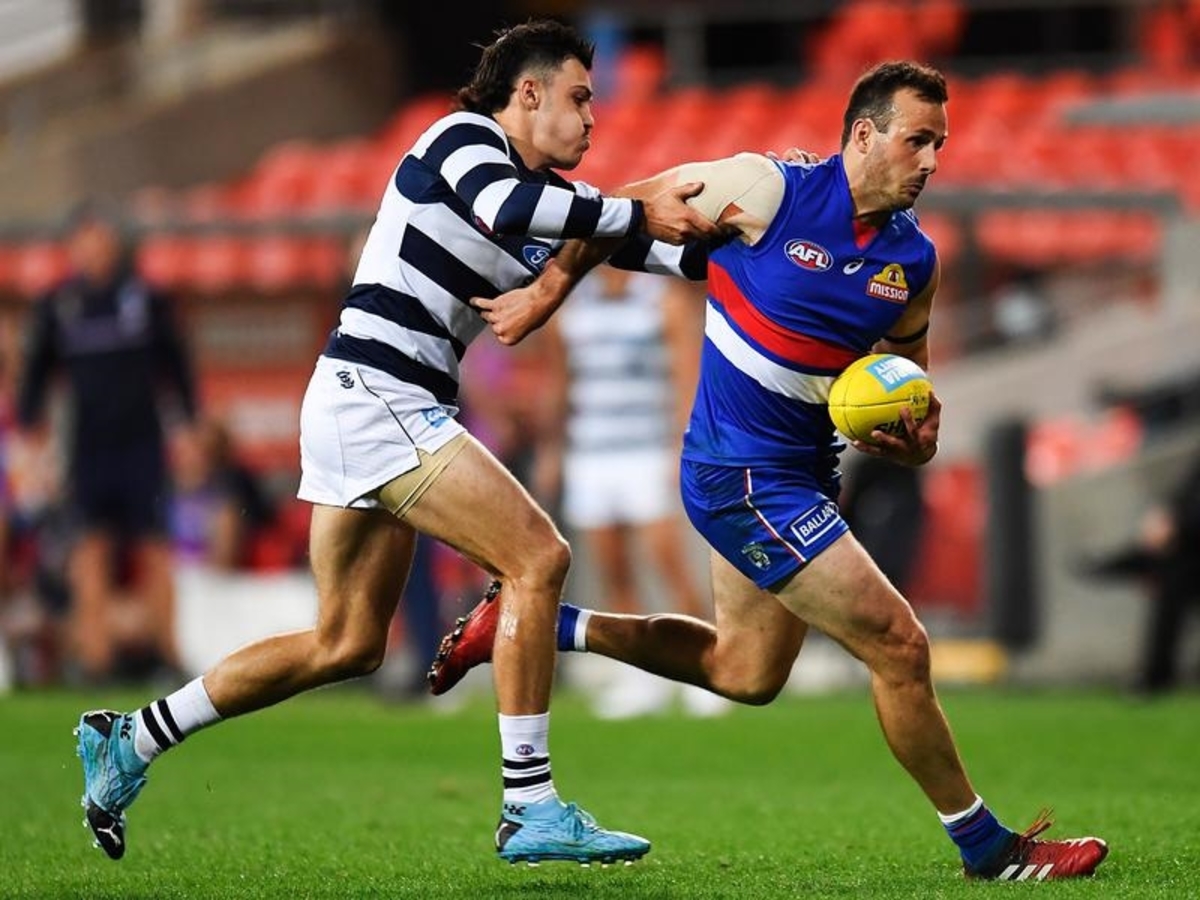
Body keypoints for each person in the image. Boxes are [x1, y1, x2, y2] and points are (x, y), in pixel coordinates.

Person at [428, 61, 1109, 881]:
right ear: (864, 135)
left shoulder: (915, 262)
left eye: (940, 144)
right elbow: (626, 207)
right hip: (739, 475)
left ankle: (544, 623)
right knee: (899, 644)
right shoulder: (766, 189)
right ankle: (989, 849)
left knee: (744, 673)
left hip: (805, 475)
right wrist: (546, 292)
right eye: (916, 140)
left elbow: (909, 391)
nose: (931, 160)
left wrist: (914, 440)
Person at [73, 19, 721, 865]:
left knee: (345, 642)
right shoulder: (462, 141)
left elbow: (659, 250)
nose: (592, 117)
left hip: (363, 400)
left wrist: (760, 238)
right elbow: (518, 209)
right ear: (528, 93)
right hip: (380, 396)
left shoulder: (549, 199)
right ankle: (529, 803)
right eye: (579, 97)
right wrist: (632, 205)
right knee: (537, 558)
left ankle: (131, 739)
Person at [17, 201, 196, 684]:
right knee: (90, 549)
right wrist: (31, 436)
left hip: (142, 446)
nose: (92, 250)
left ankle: (168, 654)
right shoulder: (58, 306)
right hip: (88, 450)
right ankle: (95, 659)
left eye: (100, 240)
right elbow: (35, 377)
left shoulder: (145, 299)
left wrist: (187, 426)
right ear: (72, 248)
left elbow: (177, 367)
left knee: (154, 546)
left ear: (113, 245)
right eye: (84, 241)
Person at [539, 265, 728, 717]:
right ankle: (641, 676)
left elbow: (686, 376)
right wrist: (553, 450)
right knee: (614, 569)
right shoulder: (572, 303)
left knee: (666, 562)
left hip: (647, 450)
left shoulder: (660, 296)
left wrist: (683, 445)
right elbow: (561, 382)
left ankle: (706, 666)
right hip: (591, 452)